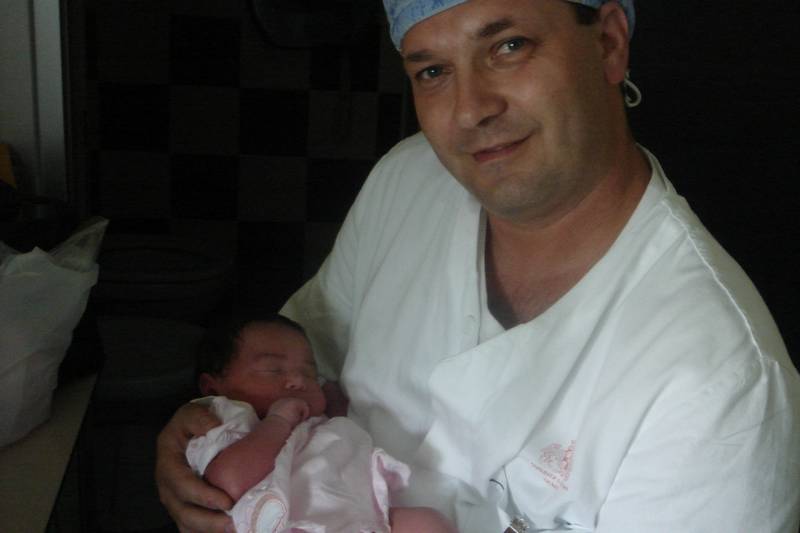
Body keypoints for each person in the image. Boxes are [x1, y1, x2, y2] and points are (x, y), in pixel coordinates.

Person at [156, 1, 800, 531]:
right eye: (433, 71)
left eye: (509, 47)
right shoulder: (409, 180)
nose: (470, 110)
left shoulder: (719, 380)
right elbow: (303, 356)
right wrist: (203, 431)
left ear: (608, 43)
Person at [185, 314, 457, 532]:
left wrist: (331, 399)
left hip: (362, 519)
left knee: (428, 523)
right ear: (213, 387)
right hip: (287, 523)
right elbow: (228, 483)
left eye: (308, 372)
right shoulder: (229, 417)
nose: (298, 381)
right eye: (273, 370)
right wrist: (277, 422)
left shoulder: (315, 421)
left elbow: (343, 430)